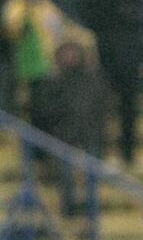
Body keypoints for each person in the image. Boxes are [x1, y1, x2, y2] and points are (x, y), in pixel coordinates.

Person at [78, 0, 143, 164]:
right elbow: (86, 16)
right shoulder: (100, 0)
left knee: (128, 111)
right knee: (98, 111)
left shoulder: (133, 0)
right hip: (105, 65)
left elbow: (142, 22)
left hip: (128, 66)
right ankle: (98, 151)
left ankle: (128, 152)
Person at [36, 39, 110, 214]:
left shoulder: (94, 78)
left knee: (92, 175)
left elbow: (104, 105)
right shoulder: (53, 81)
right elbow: (46, 110)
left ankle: (92, 210)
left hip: (91, 132)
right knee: (65, 174)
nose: (70, 57)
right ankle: (68, 209)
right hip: (64, 134)